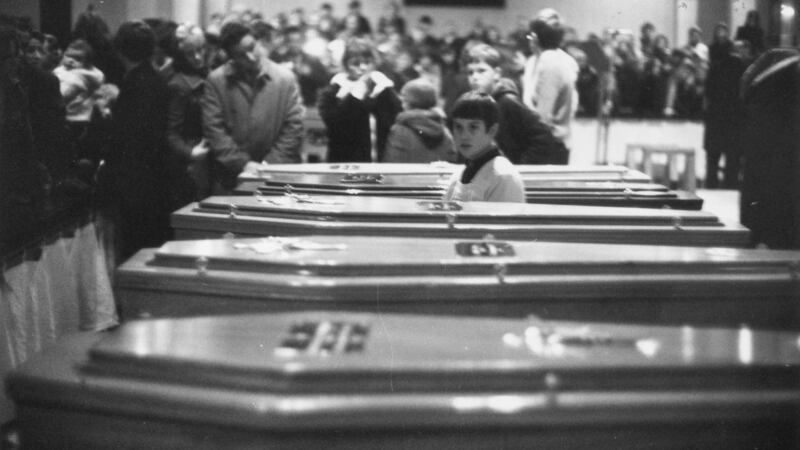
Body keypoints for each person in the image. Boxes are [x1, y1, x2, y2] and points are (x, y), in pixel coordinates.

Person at [96, 21, 171, 262]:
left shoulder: (134, 82)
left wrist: (106, 115)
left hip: (134, 182)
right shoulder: (156, 79)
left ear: (120, 50)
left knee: (133, 252)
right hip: (155, 177)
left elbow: (127, 136)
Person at [202, 21, 304, 193]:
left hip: (278, 175)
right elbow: (214, 129)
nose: (251, 57)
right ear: (230, 57)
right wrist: (243, 164)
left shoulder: (285, 78)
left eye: (252, 47)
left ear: (258, 42)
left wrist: (269, 164)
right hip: (232, 177)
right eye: (241, 55)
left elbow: (294, 126)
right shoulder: (217, 81)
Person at [466, 43, 567, 164]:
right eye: (470, 72)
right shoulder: (480, 103)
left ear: (497, 73)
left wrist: (521, 167)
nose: (475, 77)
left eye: (481, 71)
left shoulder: (508, 102)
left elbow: (544, 137)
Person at [318, 38, 401, 162]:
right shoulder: (333, 91)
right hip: (345, 161)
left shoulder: (383, 88)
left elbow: (395, 120)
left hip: (381, 161)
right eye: (355, 63)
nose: (362, 67)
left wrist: (381, 92)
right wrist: (355, 97)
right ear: (345, 65)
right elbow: (334, 126)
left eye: (367, 62)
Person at [443, 92, 525, 203]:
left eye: (473, 127)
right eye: (458, 127)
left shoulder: (503, 177)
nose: (463, 136)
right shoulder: (458, 174)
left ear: (492, 130)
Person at [165, 24, 211, 204]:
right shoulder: (179, 85)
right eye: (190, 53)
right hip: (191, 161)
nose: (198, 57)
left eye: (200, 50)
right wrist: (190, 152)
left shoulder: (208, 74)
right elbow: (170, 132)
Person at [525, 15, 579, 151]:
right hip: (552, 141)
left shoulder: (550, 64)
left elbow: (543, 116)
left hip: (549, 144)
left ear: (535, 38)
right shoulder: (555, 59)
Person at [384, 78, 456, 163]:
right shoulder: (445, 132)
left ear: (407, 103)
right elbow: (452, 160)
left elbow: (392, 163)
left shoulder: (399, 131)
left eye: (403, 99)